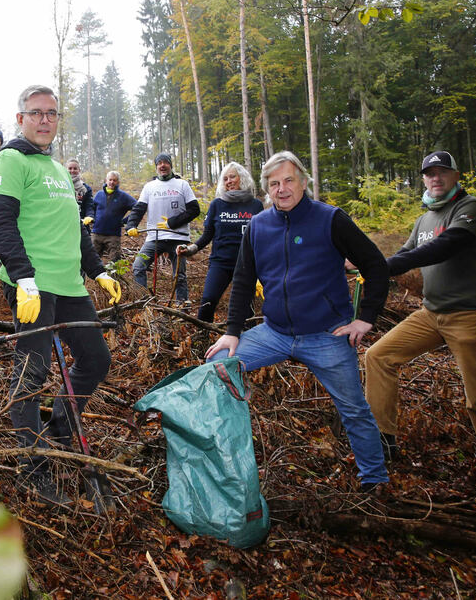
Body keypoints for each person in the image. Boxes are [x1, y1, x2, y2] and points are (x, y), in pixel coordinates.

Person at [205, 151, 390, 491]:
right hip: (274, 332)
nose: (282, 189)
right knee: (217, 365)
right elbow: (244, 280)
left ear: (304, 182)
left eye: (289, 180)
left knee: (354, 410)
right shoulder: (258, 226)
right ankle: (228, 466)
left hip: (327, 335)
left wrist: (365, 319)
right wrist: (232, 333)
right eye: (274, 183)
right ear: (266, 190)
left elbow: (376, 264)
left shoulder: (330, 219)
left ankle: (375, 479)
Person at [0, 85, 121, 506]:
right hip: (32, 286)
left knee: (97, 359)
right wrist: (23, 278)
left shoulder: (59, 169)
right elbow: (1, 222)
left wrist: (97, 272)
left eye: (52, 114)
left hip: (69, 284)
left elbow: (76, 230)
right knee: (31, 372)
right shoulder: (9, 160)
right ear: (21, 117)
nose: (45, 120)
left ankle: (62, 418)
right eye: (36, 112)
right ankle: (31, 466)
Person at [364, 150, 476, 499]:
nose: (435, 178)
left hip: (472, 315)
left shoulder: (470, 209)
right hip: (431, 314)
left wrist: (384, 266)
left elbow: (446, 247)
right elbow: (401, 257)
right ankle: (384, 441)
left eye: (442, 172)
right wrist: (363, 267)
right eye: (429, 173)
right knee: (378, 356)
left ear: (455, 175)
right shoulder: (424, 220)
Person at [177, 162, 264, 322]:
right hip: (220, 263)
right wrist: (190, 249)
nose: (229, 181)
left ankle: (245, 343)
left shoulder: (255, 205)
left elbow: (262, 238)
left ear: (242, 178)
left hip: (247, 265)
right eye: (225, 178)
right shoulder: (217, 204)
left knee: (245, 311)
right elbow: (207, 235)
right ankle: (202, 340)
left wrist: (262, 271)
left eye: (232, 177)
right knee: (207, 302)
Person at [125, 153, 200, 302]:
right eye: (159, 163)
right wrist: (131, 225)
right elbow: (138, 209)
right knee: (138, 266)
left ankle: (182, 306)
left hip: (178, 237)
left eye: (166, 162)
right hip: (155, 237)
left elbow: (194, 210)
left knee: (179, 275)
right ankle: (144, 303)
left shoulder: (182, 184)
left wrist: (172, 223)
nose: (162, 165)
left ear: (170, 165)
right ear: (156, 167)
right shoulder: (149, 187)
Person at [91, 170, 136, 263]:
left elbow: (138, 207)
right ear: (106, 181)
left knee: (115, 262)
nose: (112, 182)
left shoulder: (123, 196)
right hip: (96, 233)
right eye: (110, 180)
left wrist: (125, 221)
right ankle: (92, 277)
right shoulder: (99, 194)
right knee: (92, 260)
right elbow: (92, 208)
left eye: (114, 180)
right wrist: (92, 219)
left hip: (113, 235)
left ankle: (115, 277)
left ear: (118, 182)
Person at [67, 158, 95, 226]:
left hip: (81, 223)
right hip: (65, 223)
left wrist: (89, 216)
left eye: (75, 168)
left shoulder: (86, 188)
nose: (72, 171)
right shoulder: (60, 185)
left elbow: (89, 205)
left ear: (79, 170)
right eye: (70, 168)